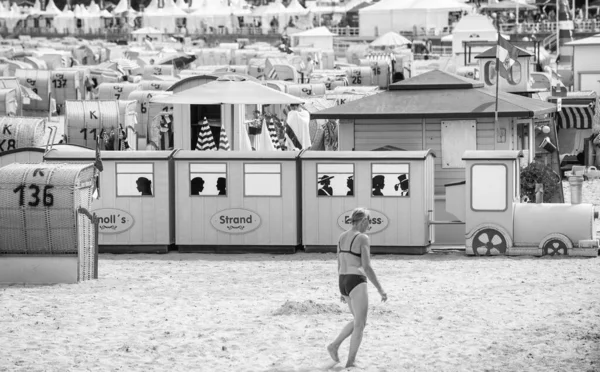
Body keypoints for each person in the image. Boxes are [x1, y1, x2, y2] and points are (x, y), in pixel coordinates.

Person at [327, 208, 387, 368]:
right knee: (360, 324)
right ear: (363, 220)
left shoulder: (341, 236)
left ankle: (335, 346)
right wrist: (380, 289)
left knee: (357, 321)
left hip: (343, 280)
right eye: (370, 220)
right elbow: (367, 267)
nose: (370, 224)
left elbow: (339, 263)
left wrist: (342, 290)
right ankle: (350, 361)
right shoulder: (362, 238)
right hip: (356, 280)